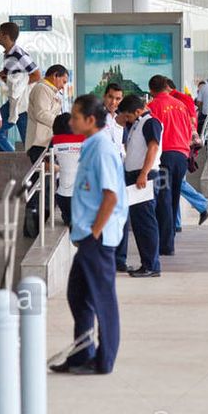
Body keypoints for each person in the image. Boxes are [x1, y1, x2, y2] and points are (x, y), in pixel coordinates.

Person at [50, 94, 127, 375]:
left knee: (102, 299)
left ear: (90, 120)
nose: (71, 122)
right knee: (78, 294)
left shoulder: (102, 149)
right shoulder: (91, 145)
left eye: (75, 117)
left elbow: (111, 195)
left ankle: (103, 361)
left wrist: (95, 231)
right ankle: (82, 354)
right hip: (87, 237)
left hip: (98, 238)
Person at [148, 74, 194, 256]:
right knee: (174, 198)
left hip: (163, 158)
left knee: (163, 199)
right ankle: (170, 237)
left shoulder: (152, 107)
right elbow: (189, 129)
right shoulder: (181, 105)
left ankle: (166, 245)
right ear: (167, 86)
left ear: (151, 90)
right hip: (181, 157)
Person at [117, 94, 162, 276]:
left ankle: (151, 265)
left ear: (137, 111)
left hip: (144, 176)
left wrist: (143, 173)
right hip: (135, 176)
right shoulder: (137, 123)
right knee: (138, 222)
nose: (126, 120)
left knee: (145, 221)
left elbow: (153, 147)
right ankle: (147, 263)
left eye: (128, 116)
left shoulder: (150, 123)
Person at [0, 21, 41, 152]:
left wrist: (21, 87)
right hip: (16, 102)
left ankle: (14, 159)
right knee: (23, 139)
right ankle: (22, 163)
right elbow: (5, 73)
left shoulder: (18, 54)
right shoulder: (9, 54)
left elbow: (36, 74)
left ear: (6, 36)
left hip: (22, 102)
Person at [25, 64, 67, 165]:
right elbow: (41, 113)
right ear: (55, 75)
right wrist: (61, 123)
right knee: (42, 178)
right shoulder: (42, 88)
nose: (63, 86)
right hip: (40, 143)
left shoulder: (49, 90)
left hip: (45, 142)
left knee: (46, 177)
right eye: (63, 81)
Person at [50, 112, 84, 229]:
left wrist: (59, 167)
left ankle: (70, 219)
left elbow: (46, 161)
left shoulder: (54, 141)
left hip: (62, 195)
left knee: (68, 218)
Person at [102, 82, 125, 150]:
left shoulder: (124, 119)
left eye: (118, 99)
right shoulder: (95, 117)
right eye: (110, 97)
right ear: (104, 96)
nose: (113, 102)